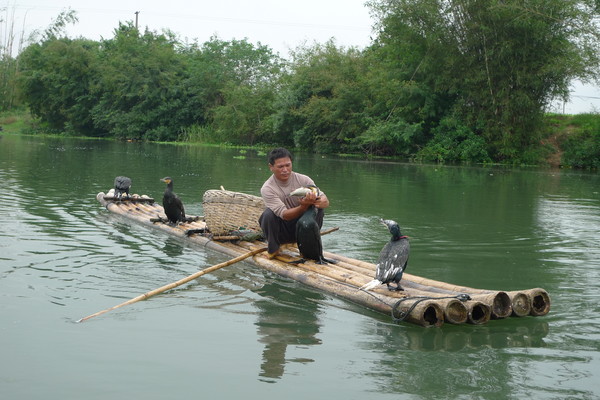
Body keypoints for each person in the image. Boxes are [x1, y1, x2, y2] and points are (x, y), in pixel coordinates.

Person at [259, 148, 329, 259]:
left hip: (303, 229)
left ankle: (307, 249)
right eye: (280, 167)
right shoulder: (267, 188)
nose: (285, 170)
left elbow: (325, 201)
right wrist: (303, 206)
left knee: (318, 210)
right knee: (267, 214)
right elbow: (285, 215)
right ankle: (274, 249)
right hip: (283, 232)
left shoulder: (304, 180)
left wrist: (320, 201)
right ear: (271, 167)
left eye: (288, 165)